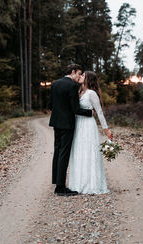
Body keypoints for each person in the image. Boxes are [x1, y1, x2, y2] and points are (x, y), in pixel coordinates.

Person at [49, 64, 93, 196]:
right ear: (73, 72)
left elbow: (50, 105)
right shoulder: (73, 86)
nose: (79, 76)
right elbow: (75, 109)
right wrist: (90, 113)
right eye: (79, 74)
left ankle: (57, 182)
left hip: (56, 122)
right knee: (64, 153)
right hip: (67, 124)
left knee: (57, 151)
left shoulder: (55, 84)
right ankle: (60, 187)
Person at [69, 71, 113, 194]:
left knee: (88, 152)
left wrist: (106, 130)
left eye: (83, 75)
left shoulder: (91, 93)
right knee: (79, 152)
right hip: (78, 125)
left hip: (88, 125)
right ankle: (78, 183)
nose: (80, 76)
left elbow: (99, 112)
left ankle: (92, 183)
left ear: (88, 79)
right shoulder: (79, 91)